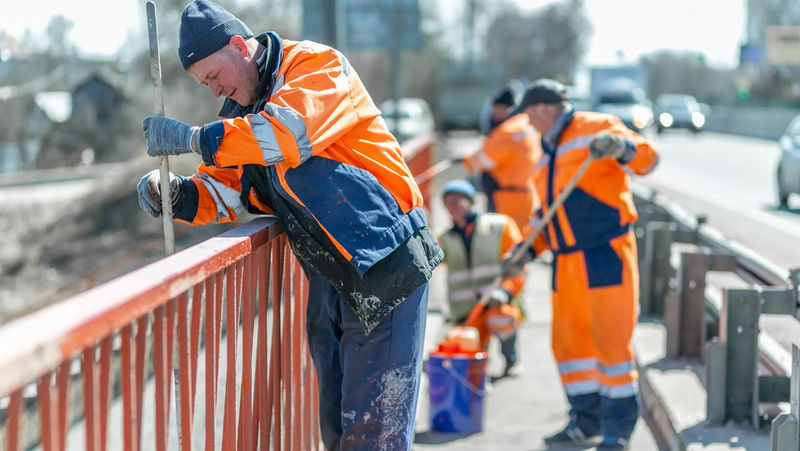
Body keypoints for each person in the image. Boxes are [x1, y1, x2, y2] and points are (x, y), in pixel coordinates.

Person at [135, 1, 443, 449]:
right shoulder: (239, 114)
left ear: (240, 47)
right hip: (331, 273)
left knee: (375, 431)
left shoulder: (318, 67)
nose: (212, 90)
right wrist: (176, 195)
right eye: (205, 84)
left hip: (385, 260)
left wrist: (192, 139)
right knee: (338, 427)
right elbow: (232, 190)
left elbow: (286, 136)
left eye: (214, 77)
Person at [502, 79, 659, 450]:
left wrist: (622, 147)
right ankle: (585, 420)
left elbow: (649, 159)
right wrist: (525, 250)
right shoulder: (545, 155)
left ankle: (617, 428)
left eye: (527, 116)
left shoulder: (596, 128)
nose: (527, 124)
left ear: (541, 109)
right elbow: (547, 216)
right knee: (569, 344)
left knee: (611, 341)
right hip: (566, 261)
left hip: (603, 251)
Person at [437, 179, 525, 377]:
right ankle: (481, 374)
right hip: (467, 312)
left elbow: (520, 265)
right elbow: (429, 258)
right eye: (449, 203)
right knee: (464, 347)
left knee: (502, 317)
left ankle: (511, 359)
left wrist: (506, 292)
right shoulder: (445, 239)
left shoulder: (499, 226)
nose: (453, 206)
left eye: (458, 200)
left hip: (495, 302)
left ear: (470, 201)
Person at [461, 83, 542, 232]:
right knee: (522, 237)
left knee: (502, 241)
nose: (494, 115)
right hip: (527, 194)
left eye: (497, 110)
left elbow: (483, 161)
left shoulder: (506, 131)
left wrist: (465, 159)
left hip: (506, 198)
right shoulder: (526, 124)